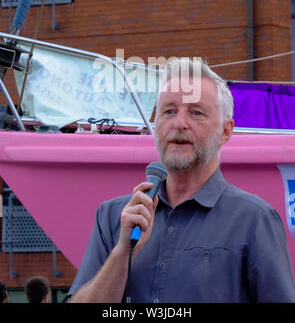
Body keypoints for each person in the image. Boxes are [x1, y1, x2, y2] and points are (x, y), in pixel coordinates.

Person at [69, 57, 295, 303]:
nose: (179, 124)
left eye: (196, 112)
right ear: (155, 126)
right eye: (169, 111)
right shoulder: (114, 216)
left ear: (226, 131)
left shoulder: (254, 219)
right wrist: (122, 253)